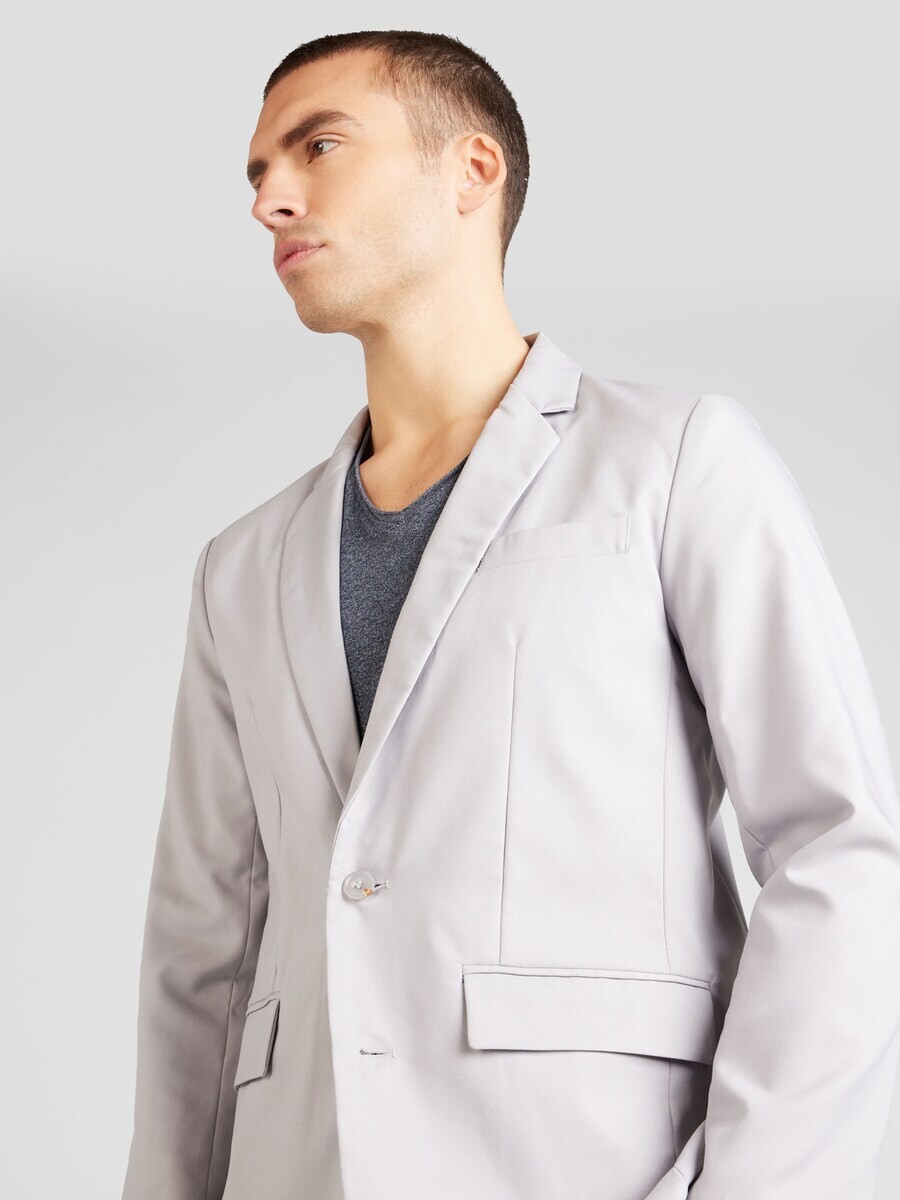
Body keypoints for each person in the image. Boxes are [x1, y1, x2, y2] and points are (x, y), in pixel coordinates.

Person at [121, 29, 900, 1200]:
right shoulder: (241, 568)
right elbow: (203, 954)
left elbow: (841, 851)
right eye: (257, 172)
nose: (270, 198)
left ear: (471, 170)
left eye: (316, 147)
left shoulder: (675, 464)